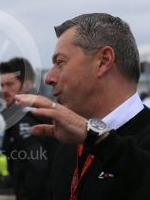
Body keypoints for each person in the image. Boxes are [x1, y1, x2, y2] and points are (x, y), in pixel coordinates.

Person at [15, 13, 150, 200]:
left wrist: (96, 137)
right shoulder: (68, 145)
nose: (48, 78)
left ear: (103, 61)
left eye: (60, 62)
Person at [0, 57, 58, 200]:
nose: (4, 90)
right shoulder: (40, 113)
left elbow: (38, 166)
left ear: (28, 85)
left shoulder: (25, 119)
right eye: (2, 85)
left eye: (10, 84)